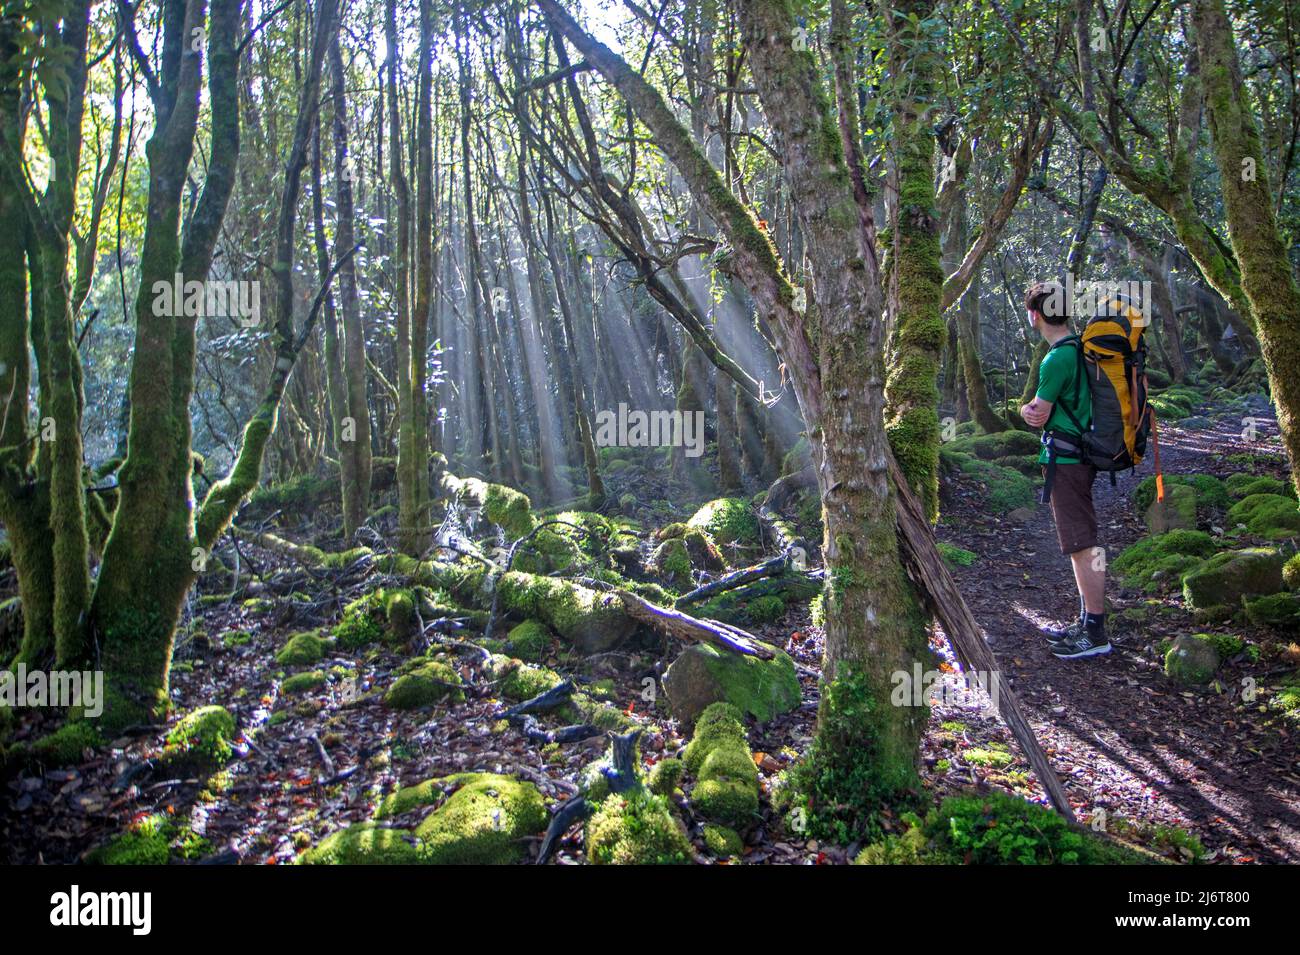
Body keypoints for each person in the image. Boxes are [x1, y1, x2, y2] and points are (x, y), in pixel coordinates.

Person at [1020, 281, 1110, 659]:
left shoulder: (1057, 358)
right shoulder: (1081, 348)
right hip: (1082, 455)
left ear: (1035, 315)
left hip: (1068, 461)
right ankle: (1087, 622)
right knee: (1079, 544)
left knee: (1081, 545)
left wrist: (1025, 411)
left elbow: (1038, 414)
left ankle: (1095, 633)